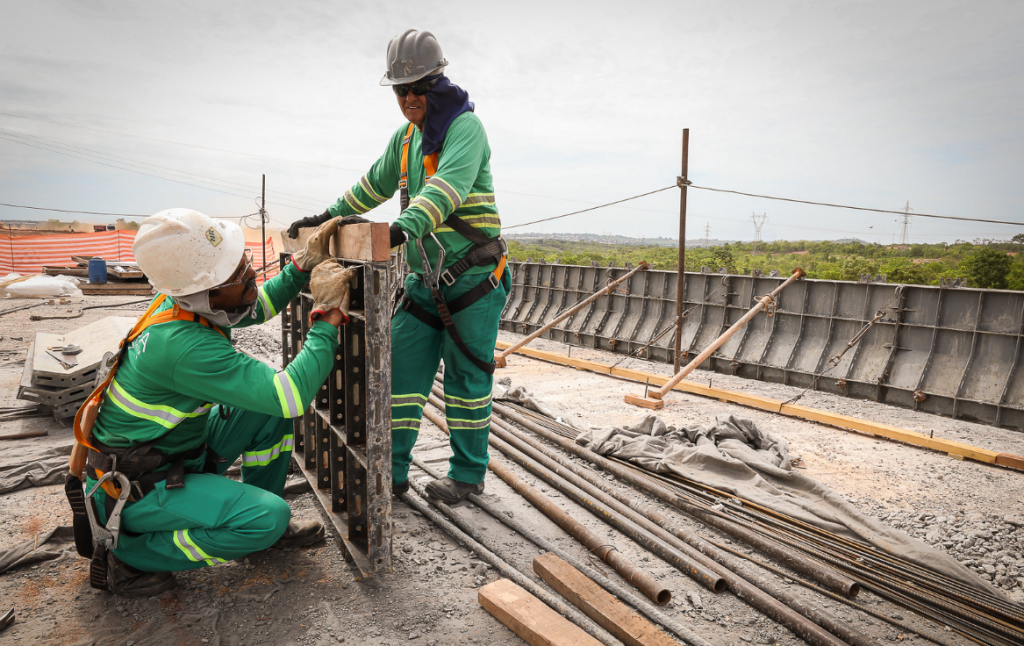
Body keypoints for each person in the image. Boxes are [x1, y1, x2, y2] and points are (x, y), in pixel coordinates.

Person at [79, 208, 354, 597]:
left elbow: (253, 307)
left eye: (244, 263)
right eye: (240, 274)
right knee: (268, 516)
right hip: (135, 489)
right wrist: (327, 318)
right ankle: (128, 556)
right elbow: (291, 396)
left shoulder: (184, 300)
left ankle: (260, 526)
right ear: (209, 290)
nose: (251, 275)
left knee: (264, 410)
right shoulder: (182, 347)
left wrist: (299, 267)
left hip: (170, 454)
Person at [287, 29, 508, 504]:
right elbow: (373, 184)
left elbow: (446, 189)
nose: (408, 98)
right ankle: (392, 471)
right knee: (399, 377)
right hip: (425, 282)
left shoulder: (464, 129)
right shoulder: (407, 139)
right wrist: (328, 215)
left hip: (473, 280)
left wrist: (401, 230)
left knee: (467, 384)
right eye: (400, 90)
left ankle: (467, 476)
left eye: (418, 88)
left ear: (437, 82)